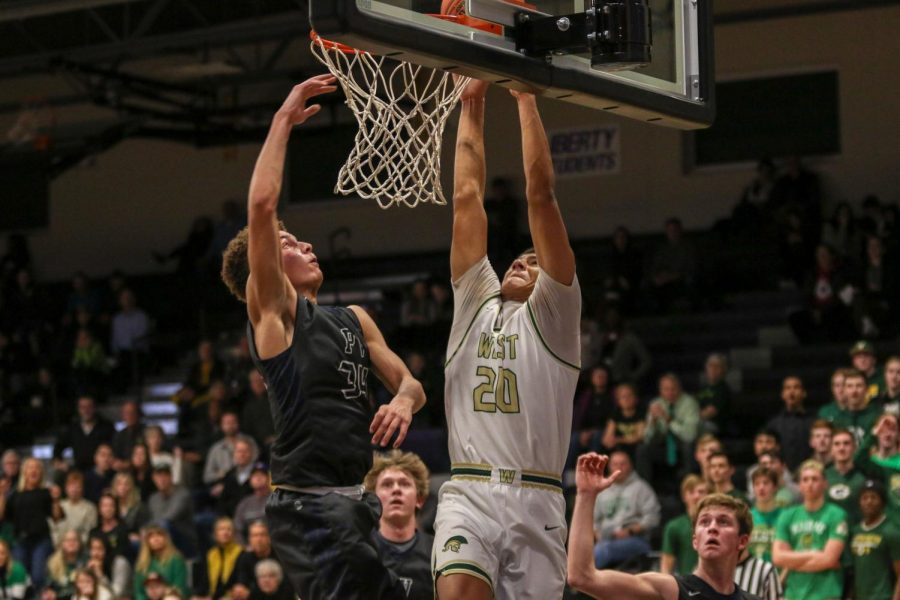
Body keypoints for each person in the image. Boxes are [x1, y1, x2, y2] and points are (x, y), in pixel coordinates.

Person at [219, 74, 426, 600]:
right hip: (307, 503)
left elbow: (411, 383)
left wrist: (403, 399)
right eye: (289, 242)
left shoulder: (354, 317)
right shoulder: (274, 314)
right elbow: (262, 207)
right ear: (262, 270)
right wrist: (282, 121)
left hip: (354, 500)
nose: (305, 243)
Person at [432, 80, 581, 600]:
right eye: (516, 259)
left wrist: (525, 99)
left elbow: (540, 197)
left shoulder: (556, 314)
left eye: (533, 261)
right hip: (469, 491)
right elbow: (467, 198)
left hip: (536, 497)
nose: (521, 262)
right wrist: (470, 103)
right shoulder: (475, 299)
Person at [567, 453, 760, 600]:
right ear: (695, 540)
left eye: (723, 522)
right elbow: (582, 577)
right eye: (704, 521)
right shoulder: (669, 590)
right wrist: (585, 496)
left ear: (742, 541)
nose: (712, 527)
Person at [773, 460, 848, 600]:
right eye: (805, 479)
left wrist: (793, 561)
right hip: (793, 594)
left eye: (815, 479)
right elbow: (778, 557)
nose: (810, 483)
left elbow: (829, 559)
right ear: (799, 485)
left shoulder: (837, 514)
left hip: (826, 594)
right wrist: (813, 553)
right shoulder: (787, 515)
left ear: (825, 484)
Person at [363, 451, 433, 600]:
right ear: (373, 499)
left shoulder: (438, 553)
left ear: (419, 499)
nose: (396, 490)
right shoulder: (359, 550)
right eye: (387, 484)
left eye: (404, 483)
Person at [0, 457, 63, 590]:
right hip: (20, 541)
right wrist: (1, 495)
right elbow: (2, 516)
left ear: (41, 473)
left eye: (37, 468)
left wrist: (56, 499)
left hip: (41, 540)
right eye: (30, 467)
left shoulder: (46, 492)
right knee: (19, 575)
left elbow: (57, 517)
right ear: (24, 472)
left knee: (38, 576)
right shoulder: (14, 494)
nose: (34, 471)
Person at [591, 450, 661, 569]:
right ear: (609, 467)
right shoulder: (602, 490)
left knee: (604, 549)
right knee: (582, 548)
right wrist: (597, 535)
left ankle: (578, 583)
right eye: (615, 464)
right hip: (606, 538)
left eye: (623, 464)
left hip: (635, 539)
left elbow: (653, 518)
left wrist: (631, 531)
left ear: (630, 466)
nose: (619, 468)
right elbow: (592, 520)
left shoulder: (642, 488)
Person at [638, 373, 699, 487]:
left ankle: (690, 486)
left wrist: (668, 420)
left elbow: (689, 435)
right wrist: (653, 423)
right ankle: (645, 489)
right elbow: (647, 438)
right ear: (660, 390)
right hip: (665, 446)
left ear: (679, 388)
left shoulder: (690, 403)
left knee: (688, 446)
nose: (670, 392)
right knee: (643, 449)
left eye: (673, 389)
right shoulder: (656, 404)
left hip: (684, 445)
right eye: (666, 389)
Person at [849, 479, 900, 600]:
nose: (869, 502)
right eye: (864, 498)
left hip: (883, 596)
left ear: (882, 502)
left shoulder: (891, 531)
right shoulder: (855, 531)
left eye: (873, 497)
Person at [660, 474, 709, 575]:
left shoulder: (717, 525)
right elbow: (666, 567)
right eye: (691, 492)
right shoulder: (674, 526)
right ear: (684, 497)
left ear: (709, 495)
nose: (696, 496)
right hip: (687, 585)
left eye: (701, 492)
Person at [52, 396, 115, 473]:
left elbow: (114, 447)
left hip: (101, 472)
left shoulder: (106, 427)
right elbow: (59, 446)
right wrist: (58, 461)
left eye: (89, 407)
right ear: (78, 409)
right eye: (83, 407)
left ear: (94, 408)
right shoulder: (73, 428)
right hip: (78, 471)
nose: (86, 410)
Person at [764, 376, 814, 471]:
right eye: (788, 388)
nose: (791, 392)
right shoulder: (773, 424)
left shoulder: (813, 422)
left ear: (804, 393)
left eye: (796, 387)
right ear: (782, 394)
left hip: (807, 472)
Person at [133, 524, 189, 600]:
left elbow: (179, 586)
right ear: (146, 541)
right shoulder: (142, 564)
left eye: (159, 535)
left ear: (166, 538)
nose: (156, 539)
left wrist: (164, 592)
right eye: (151, 536)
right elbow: (139, 592)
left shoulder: (176, 560)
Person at [193, 517, 242, 600]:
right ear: (215, 534)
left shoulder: (240, 553)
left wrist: (213, 597)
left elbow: (232, 582)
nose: (225, 533)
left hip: (230, 595)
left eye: (229, 529)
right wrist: (201, 596)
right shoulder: (211, 554)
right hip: (212, 595)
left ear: (234, 534)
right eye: (221, 529)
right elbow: (205, 580)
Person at [824, 428, 866, 523]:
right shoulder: (822, 476)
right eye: (837, 444)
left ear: (854, 448)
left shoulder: (864, 477)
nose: (841, 448)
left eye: (846, 443)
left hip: (855, 533)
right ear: (831, 449)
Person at [747, 468, 782, 563]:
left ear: (775, 487)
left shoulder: (785, 516)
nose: (761, 487)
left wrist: (781, 578)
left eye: (766, 483)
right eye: (757, 484)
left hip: (778, 574)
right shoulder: (746, 517)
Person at [54, 471, 98, 545]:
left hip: (81, 548)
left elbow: (90, 533)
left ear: (82, 489)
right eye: (71, 486)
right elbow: (54, 531)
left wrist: (74, 544)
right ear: (66, 488)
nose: (74, 490)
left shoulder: (90, 508)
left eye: (78, 487)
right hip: (60, 547)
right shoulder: (59, 506)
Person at [84, 534, 131, 599]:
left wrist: (100, 575)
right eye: (93, 549)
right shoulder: (91, 565)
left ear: (107, 550)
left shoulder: (120, 563)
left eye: (99, 549)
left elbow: (116, 594)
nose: (95, 553)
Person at [697, 353, 732, 435]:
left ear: (723, 370)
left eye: (717, 366)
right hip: (700, 421)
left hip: (715, 425)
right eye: (710, 365)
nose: (713, 369)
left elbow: (710, 413)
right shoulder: (703, 387)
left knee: (691, 429)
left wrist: (690, 418)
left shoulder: (723, 389)